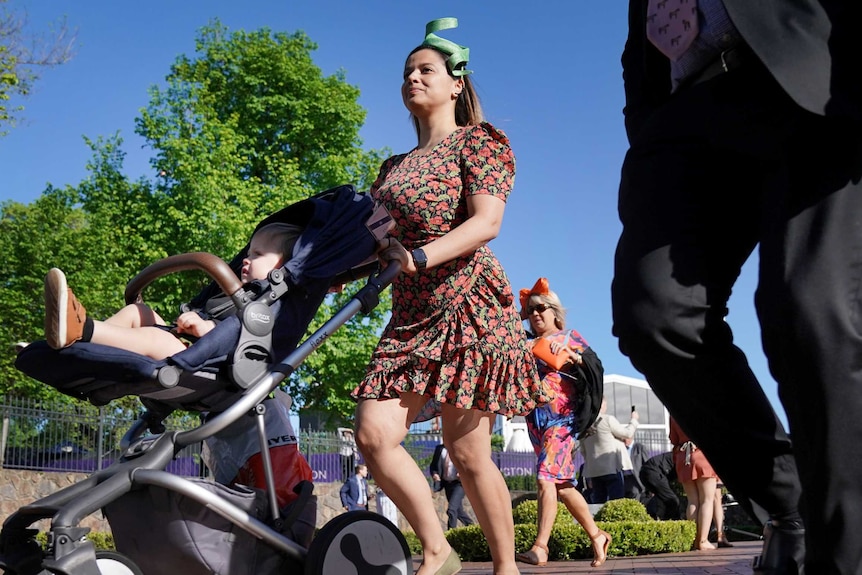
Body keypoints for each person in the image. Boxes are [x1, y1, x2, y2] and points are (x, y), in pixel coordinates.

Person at [611, 2, 862, 573]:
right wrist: (647, 122)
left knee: (811, 311)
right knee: (654, 316)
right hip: (683, 113)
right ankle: (789, 503)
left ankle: (846, 551)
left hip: (808, 73)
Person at [350, 17, 548, 575]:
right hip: (409, 315)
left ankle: (506, 567)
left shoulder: (479, 142)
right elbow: (374, 241)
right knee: (373, 433)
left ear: (456, 82)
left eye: (426, 69)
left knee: (467, 453)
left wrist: (419, 256)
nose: (413, 77)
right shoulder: (391, 170)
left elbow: (486, 223)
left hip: (468, 304)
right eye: (407, 71)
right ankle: (439, 549)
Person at [43, 223, 302, 359]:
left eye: (257, 254)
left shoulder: (269, 305)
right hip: (188, 350)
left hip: (211, 365)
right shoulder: (234, 292)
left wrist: (208, 330)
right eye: (247, 253)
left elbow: (248, 339)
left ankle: (82, 330)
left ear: (282, 267)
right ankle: (72, 348)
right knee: (138, 312)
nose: (246, 259)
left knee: (158, 339)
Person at [515, 278, 611, 568]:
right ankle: (597, 535)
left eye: (541, 308)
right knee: (561, 486)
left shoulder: (571, 338)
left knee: (545, 478)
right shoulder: (526, 344)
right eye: (530, 310)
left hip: (562, 420)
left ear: (554, 311)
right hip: (536, 421)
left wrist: (576, 358)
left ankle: (540, 547)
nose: (535, 314)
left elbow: (595, 369)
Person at [670, 417, 717, 551]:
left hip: (684, 455)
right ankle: (703, 540)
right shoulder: (702, 405)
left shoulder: (673, 410)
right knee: (707, 500)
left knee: (692, 501)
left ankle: (694, 540)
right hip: (702, 453)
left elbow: (673, 439)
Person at [580, 398, 638, 503]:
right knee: (616, 501)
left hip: (594, 471)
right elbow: (627, 434)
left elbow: (583, 450)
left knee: (598, 502)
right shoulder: (607, 419)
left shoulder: (584, 425)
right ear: (601, 405)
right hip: (611, 468)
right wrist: (634, 420)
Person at [429, 442, 474, 529]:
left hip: (459, 484)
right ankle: (473, 527)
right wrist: (435, 474)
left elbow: (469, 463)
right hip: (447, 484)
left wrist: (462, 472)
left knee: (451, 510)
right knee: (458, 511)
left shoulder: (461, 448)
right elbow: (433, 465)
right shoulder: (439, 449)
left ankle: (451, 534)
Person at [639, 451, 680, 521]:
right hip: (653, 472)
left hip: (647, 471)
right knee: (672, 501)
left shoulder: (678, 455)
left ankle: (658, 519)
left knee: (663, 499)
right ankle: (669, 523)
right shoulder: (683, 457)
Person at [621, 436, 649, 502]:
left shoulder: (639, 447)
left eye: (626, 438)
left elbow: (646, 463)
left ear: (631, 437)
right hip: (623, 478)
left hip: (634, 478)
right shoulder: (620, 448)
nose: (624, 440)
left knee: (634, 495)